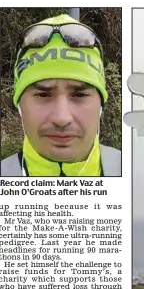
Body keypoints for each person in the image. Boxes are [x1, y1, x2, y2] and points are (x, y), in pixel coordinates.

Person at [0, 13, 121, 177]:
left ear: (101, 104)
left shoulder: (139, 178)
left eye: (80, 95)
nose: (62, 118)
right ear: (19, 105)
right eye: (43, 95)